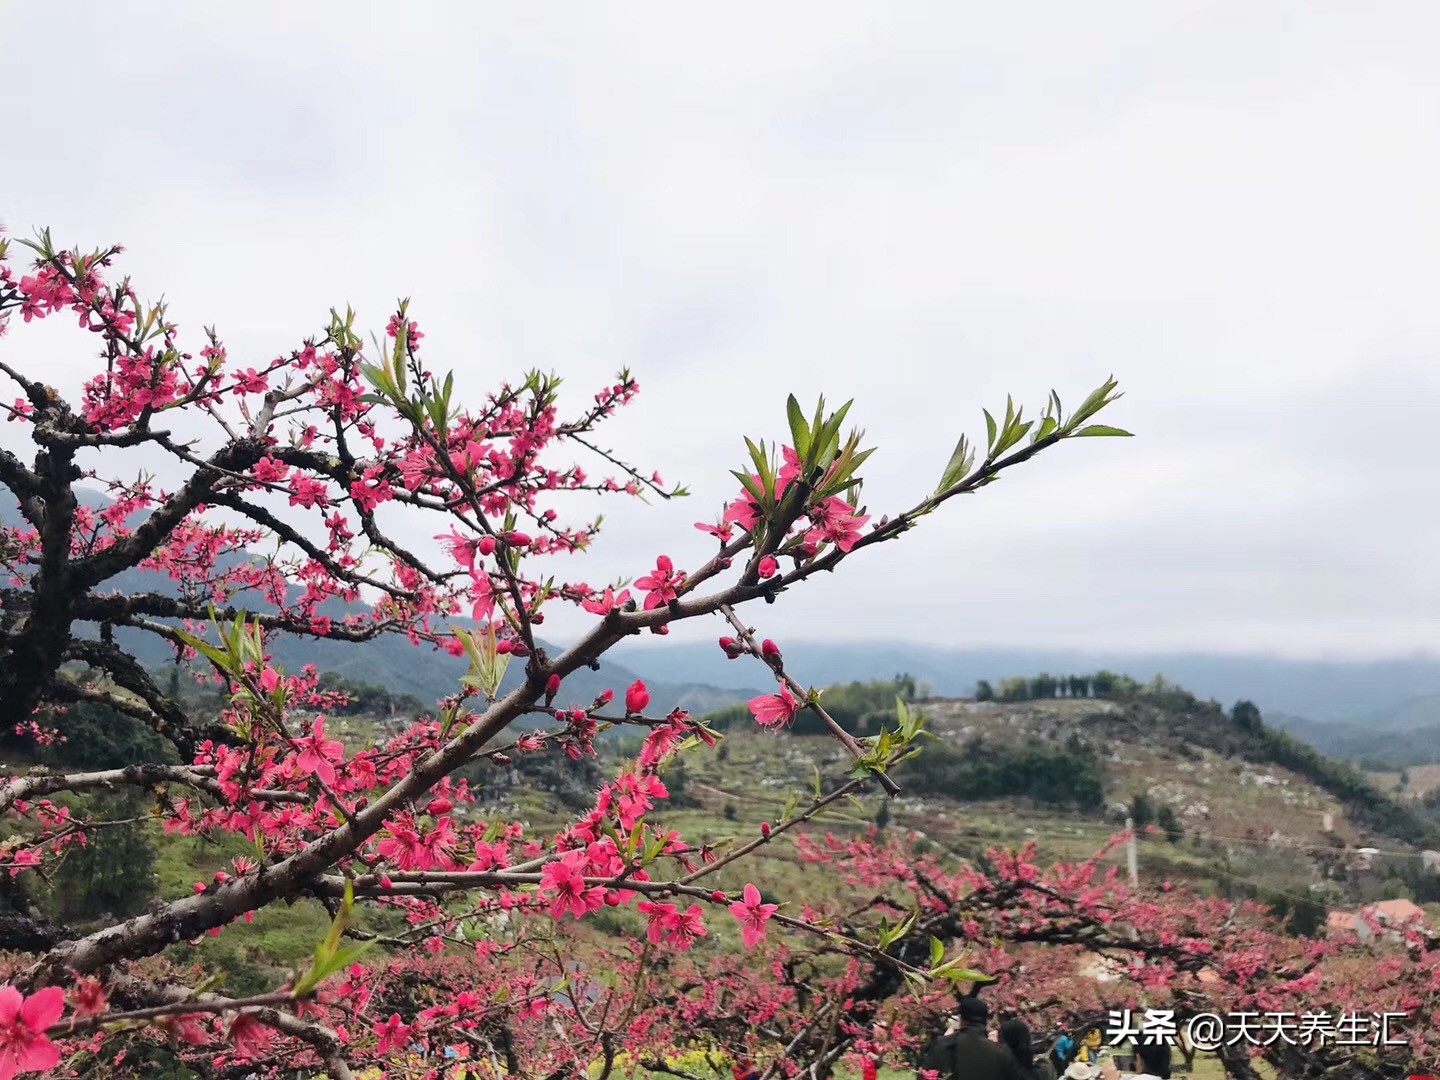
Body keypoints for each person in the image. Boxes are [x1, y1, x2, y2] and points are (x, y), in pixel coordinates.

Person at [918, 995, 1020, 1080]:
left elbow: (924, 1075)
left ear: (962, 1019)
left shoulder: (942, 1045)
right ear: (985, 1021)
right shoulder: (999, 1052)